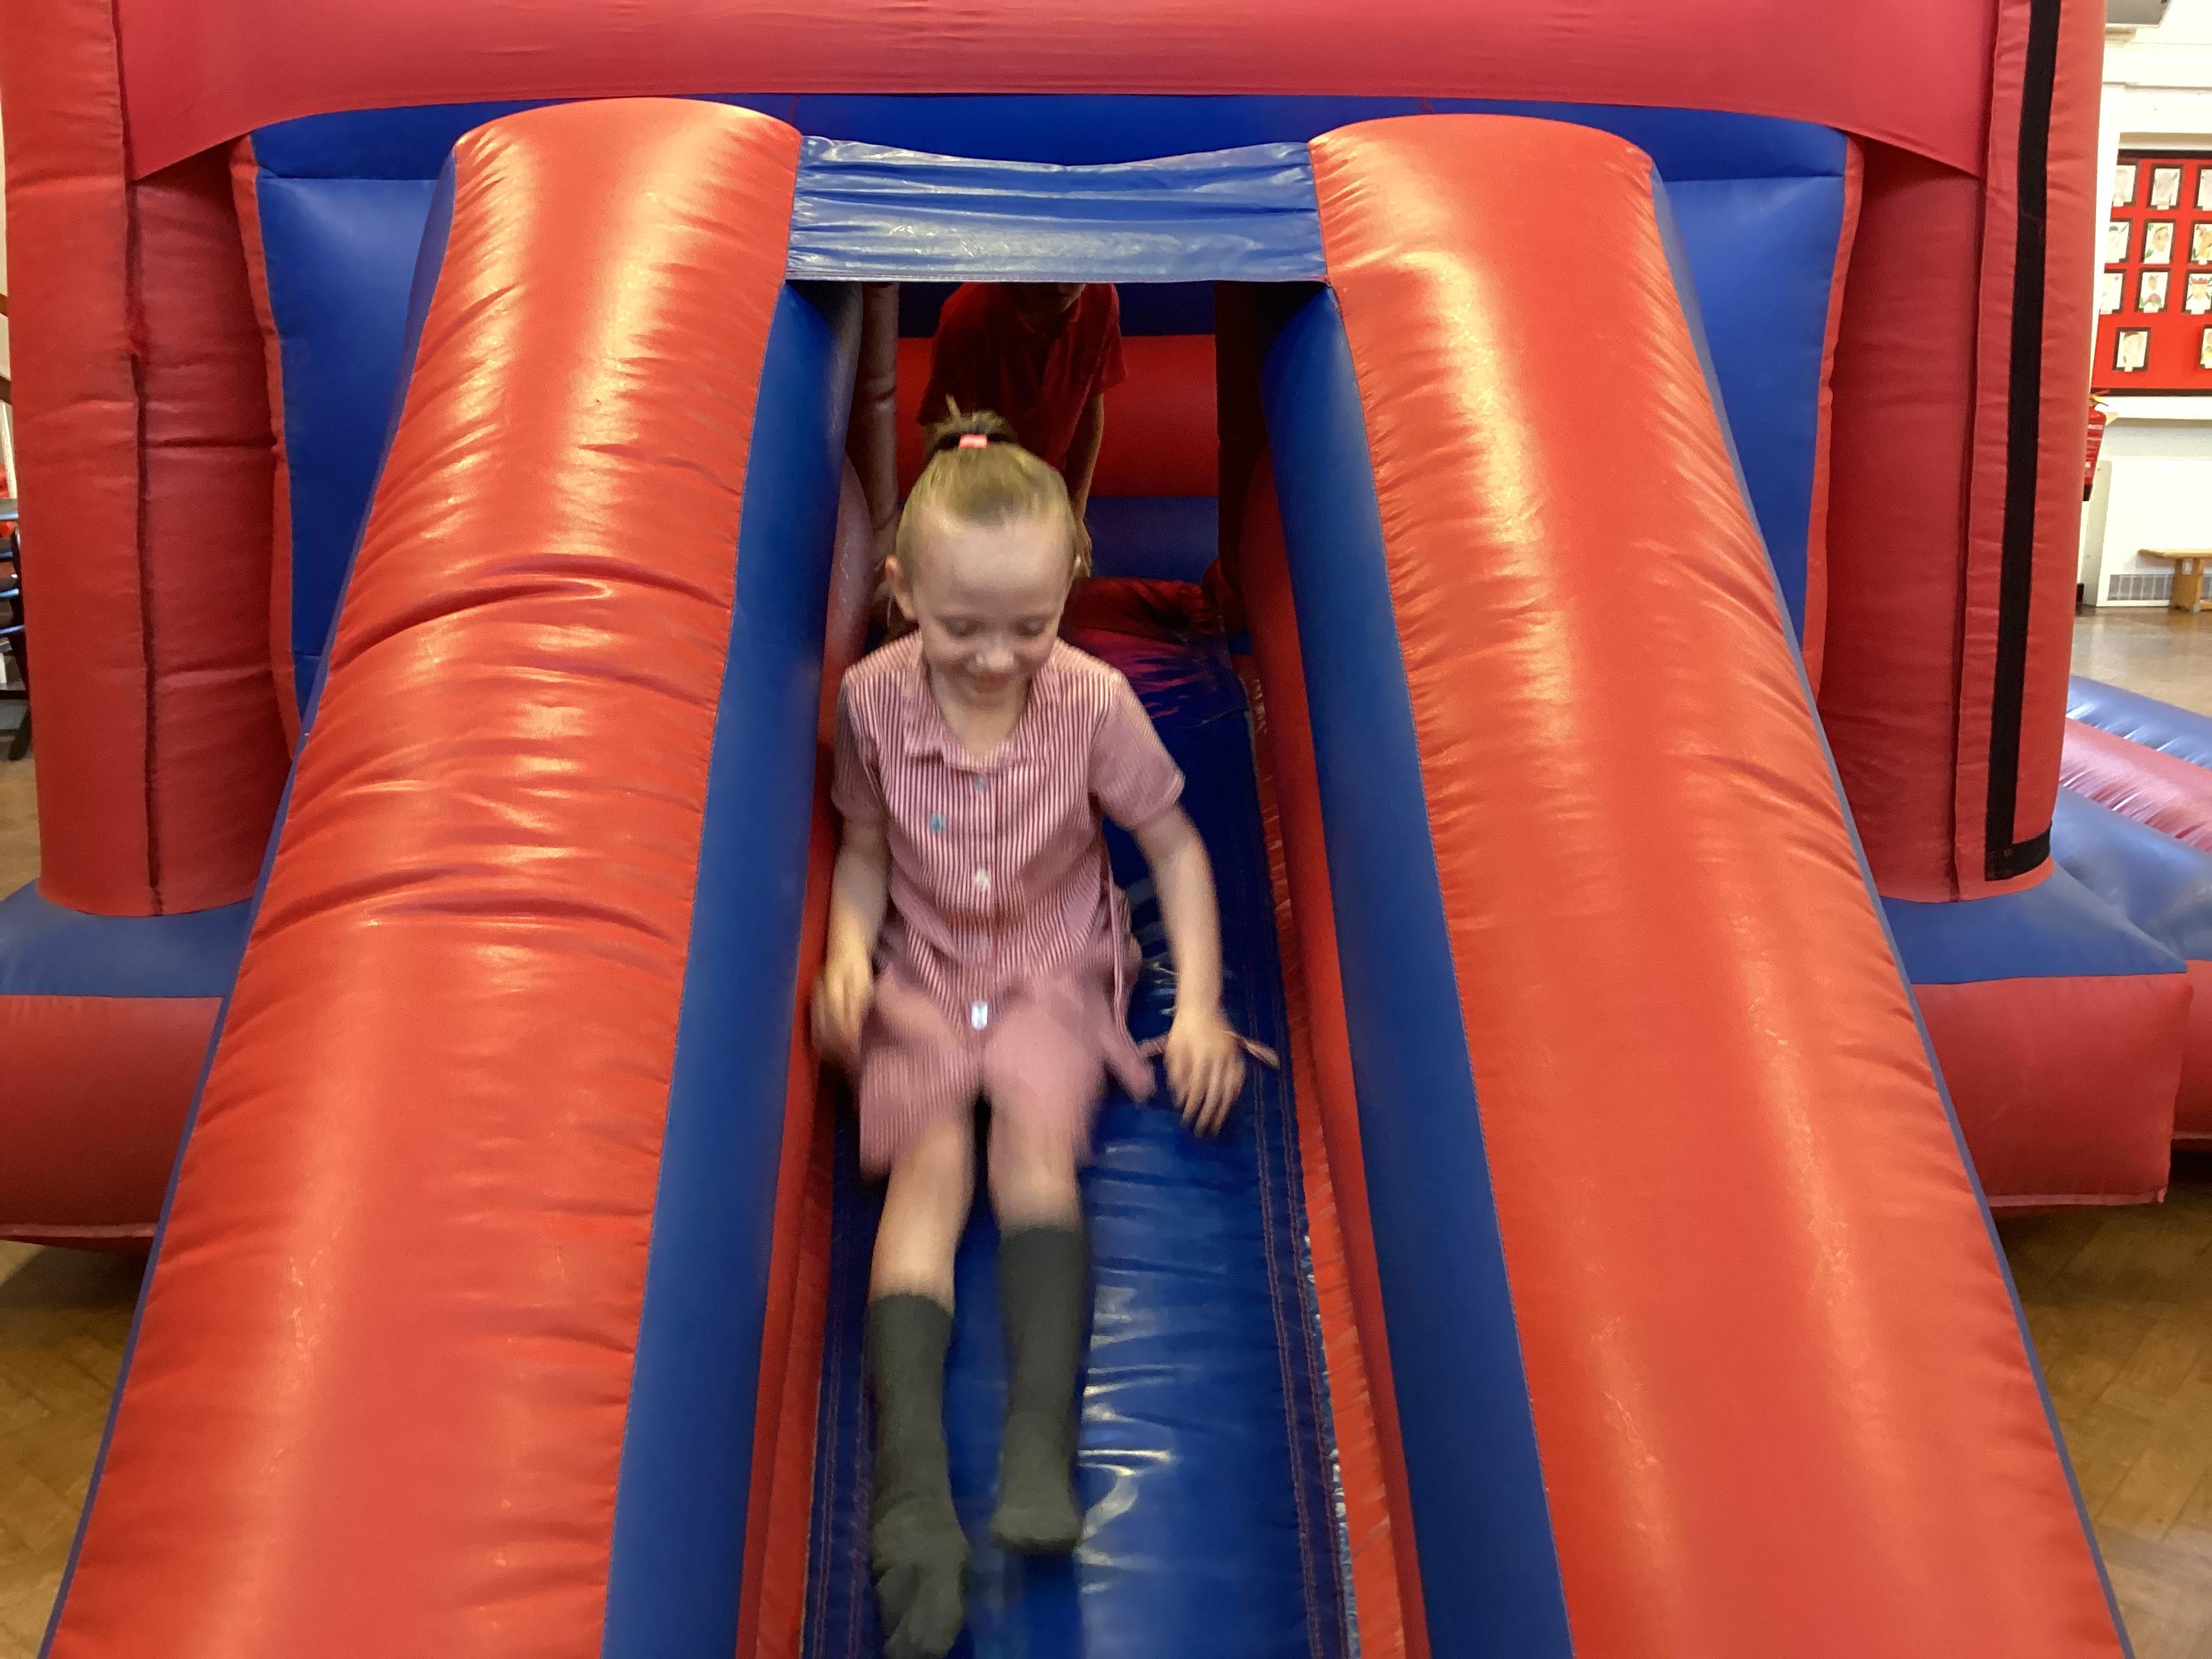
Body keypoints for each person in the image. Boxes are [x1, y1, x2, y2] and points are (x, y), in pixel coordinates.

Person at [814, 410, 1246, 1659]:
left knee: (1031, 1156)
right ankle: (912, 1506)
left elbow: (1173, 847)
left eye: (1029, 626)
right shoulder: (871, 701)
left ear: (1071, 586)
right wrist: (846, 954)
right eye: (961, 628)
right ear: (901, 592)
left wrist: (1201, 1004)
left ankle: (1036, 1454)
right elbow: (862, 849)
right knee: (927, 1170)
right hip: (926, 965)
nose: (995, 658)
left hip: (1054, 965)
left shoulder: (1091, 702)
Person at [916, 283, 1125, 567]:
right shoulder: (969, 315)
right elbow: (946, 436)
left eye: (1072, 267)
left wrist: (1074, 513)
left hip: (1051, 489)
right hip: (984, 486)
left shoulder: (1100, 298)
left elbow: (1089, 406)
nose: (1060, 284)